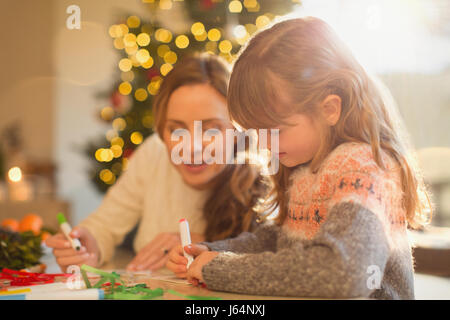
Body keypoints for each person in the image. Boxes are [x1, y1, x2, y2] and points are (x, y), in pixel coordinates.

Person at [166, 17, 432, 299]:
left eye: (275, 130)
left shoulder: (362, 167)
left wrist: (220, 268)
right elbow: (282, 242)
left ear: (329, 109)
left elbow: (342, 272)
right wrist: (213, 252)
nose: (264, 144)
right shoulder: (305, 162)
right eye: (256, 132)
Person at [45, 53, 268, 273]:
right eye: (176, 129)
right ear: (162, 131)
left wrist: (211, 245)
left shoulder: (266, 172)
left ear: (237, 132)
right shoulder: (154, 153)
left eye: (211, 129)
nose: (191, 148)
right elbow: (105, 224)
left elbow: (278, 257)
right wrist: (87, 246)